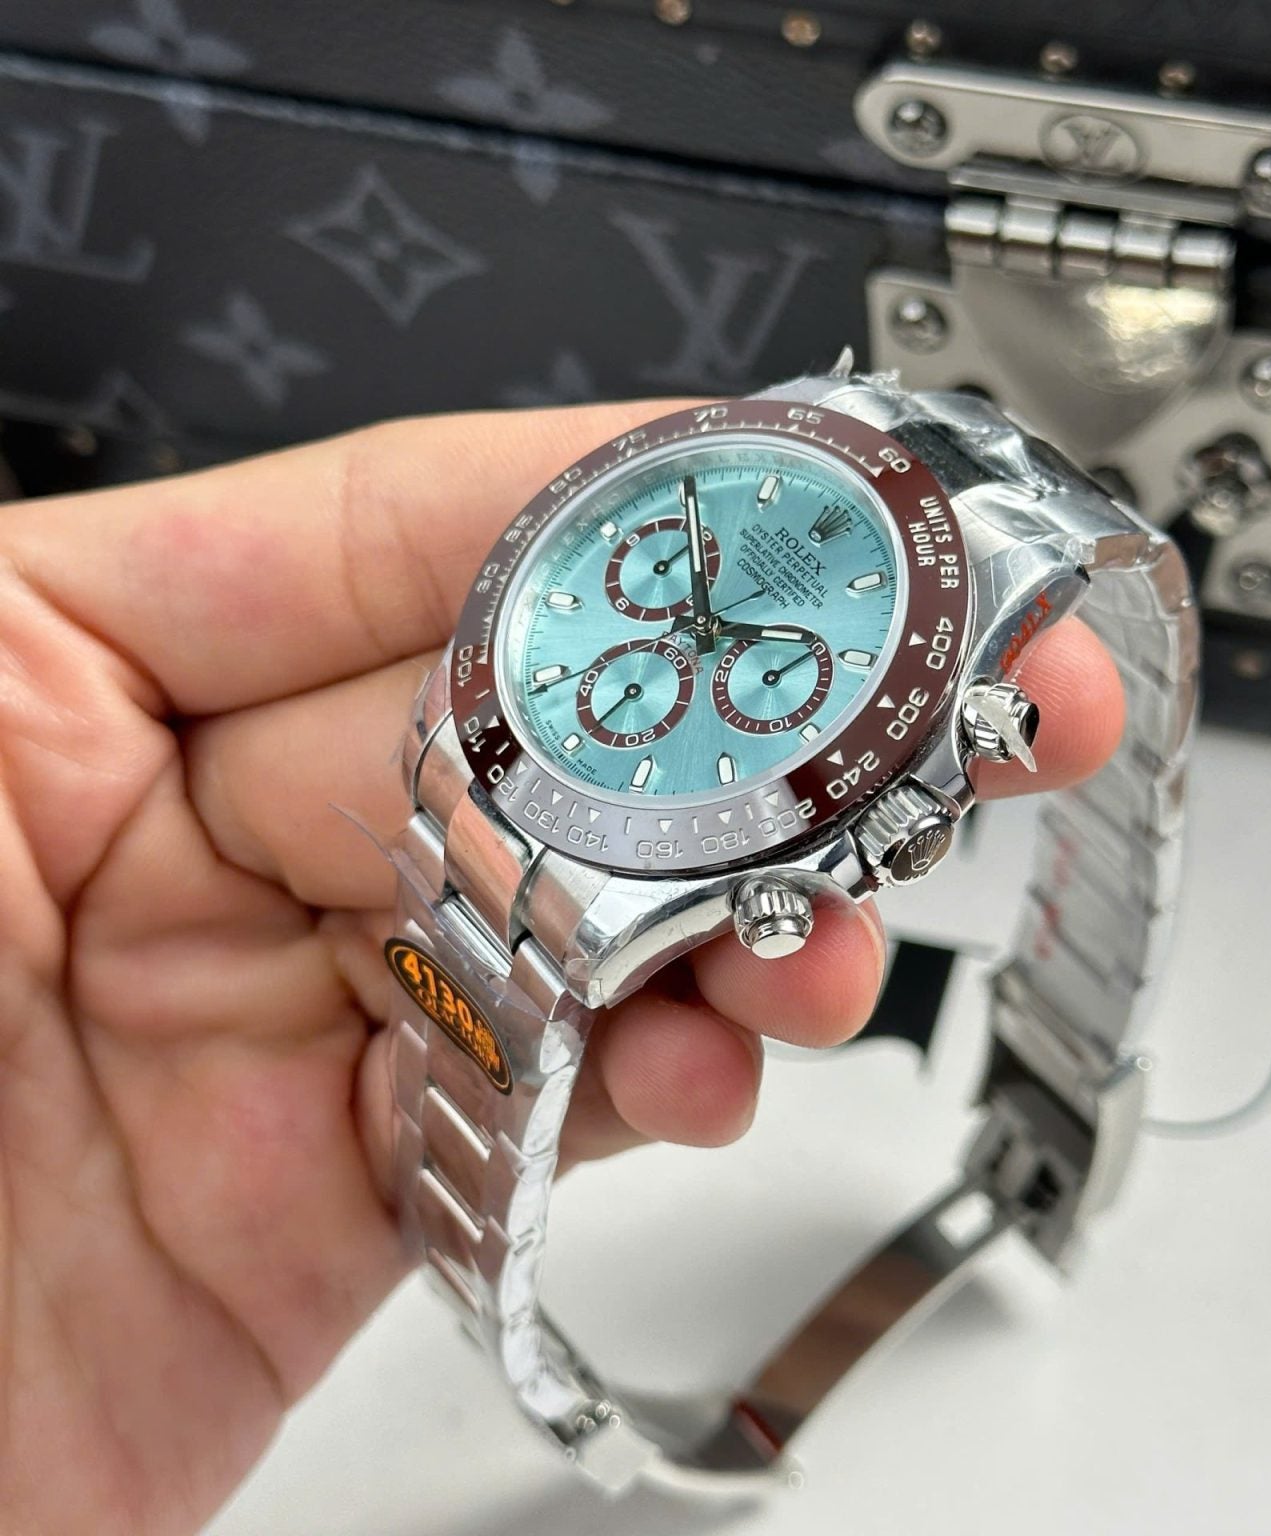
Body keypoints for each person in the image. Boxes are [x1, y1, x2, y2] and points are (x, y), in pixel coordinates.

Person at [0, 403, 1125, 1535]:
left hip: (636, 825)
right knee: (694, 1045)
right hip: (527, 765)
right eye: (687, 589)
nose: (700, 626)